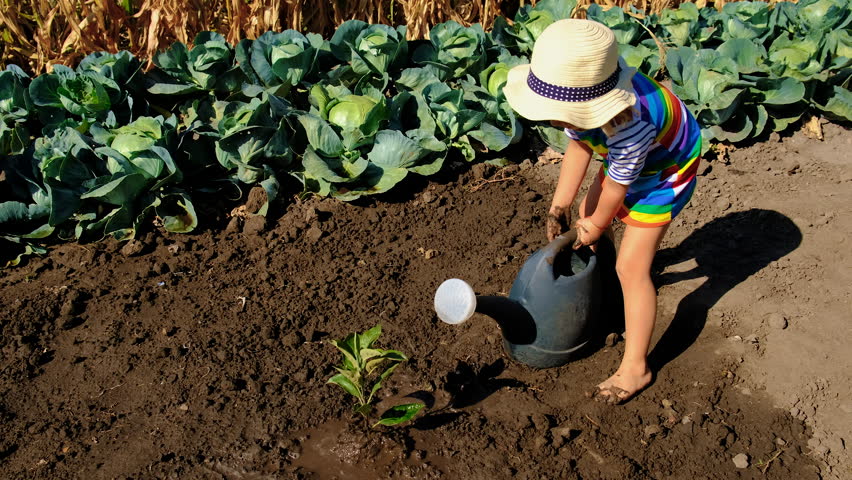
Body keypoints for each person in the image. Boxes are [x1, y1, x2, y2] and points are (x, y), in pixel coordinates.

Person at [503, 19, 701, 404]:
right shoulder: (586, 92)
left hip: (666, 170)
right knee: (584, 211)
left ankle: (636, 367)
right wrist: (560, 205)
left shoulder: (628, 127)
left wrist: (594, 225)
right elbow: (579, 148)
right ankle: (605, 281)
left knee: (632, 266)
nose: (553, 119)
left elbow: (617, 185)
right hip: (629, 162)